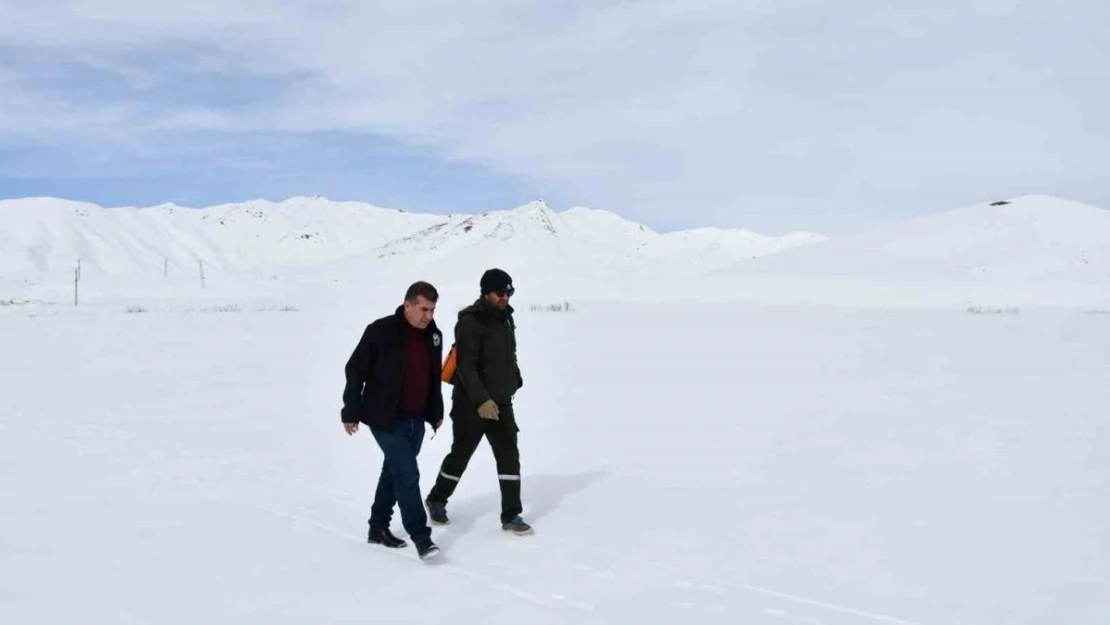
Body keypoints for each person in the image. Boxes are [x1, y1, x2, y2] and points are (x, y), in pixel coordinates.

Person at [341, 281, 445, 561]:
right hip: (384, 418)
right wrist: (350, 411)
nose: (428, 316)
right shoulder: (381, 330)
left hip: (416, 419)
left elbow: (433, 377)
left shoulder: (433, 335)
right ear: (407, 304)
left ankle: (377, 528)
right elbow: (355, 369)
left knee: (394, 473)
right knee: (408, 474)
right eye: (423, 309)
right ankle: (422, 538)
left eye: (433, 310)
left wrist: (436, 411)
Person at [425, 268, 533, 536]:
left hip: (501, 403)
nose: (506, 297)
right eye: (501, 292)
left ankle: (511, 514)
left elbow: (509, 355)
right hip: (471, 405)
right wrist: (481, 400)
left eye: (510, 292)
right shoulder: (470, 321)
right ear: (486, 292)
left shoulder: (506, 319)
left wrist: (514, 379)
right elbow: (466, 367)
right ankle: (436, 499)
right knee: (461, 455)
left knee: (509, 456)